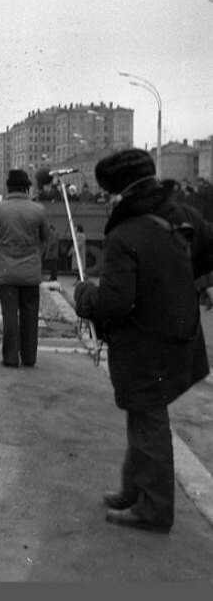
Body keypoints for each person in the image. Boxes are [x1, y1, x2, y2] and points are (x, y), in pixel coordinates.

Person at [74, 148, 212, 533]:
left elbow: (114, 303)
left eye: (109, 193)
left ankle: (153, 508)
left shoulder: (123, 235)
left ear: (119, 194)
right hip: (180, 337)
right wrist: (191, 280)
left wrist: (84, 296)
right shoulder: (183, 216)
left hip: (144, 343)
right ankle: (134, 490)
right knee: (143, 415)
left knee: (147, 418)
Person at [0, 169, 49, 367]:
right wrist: (37, 255)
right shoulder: (39, 210)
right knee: (30, 315)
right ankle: (29, 357)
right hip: (30, 271)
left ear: (8, 188)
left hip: (6, 271)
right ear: (26, 188)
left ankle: (10, 358)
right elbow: (46, 237)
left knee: (10, 314)